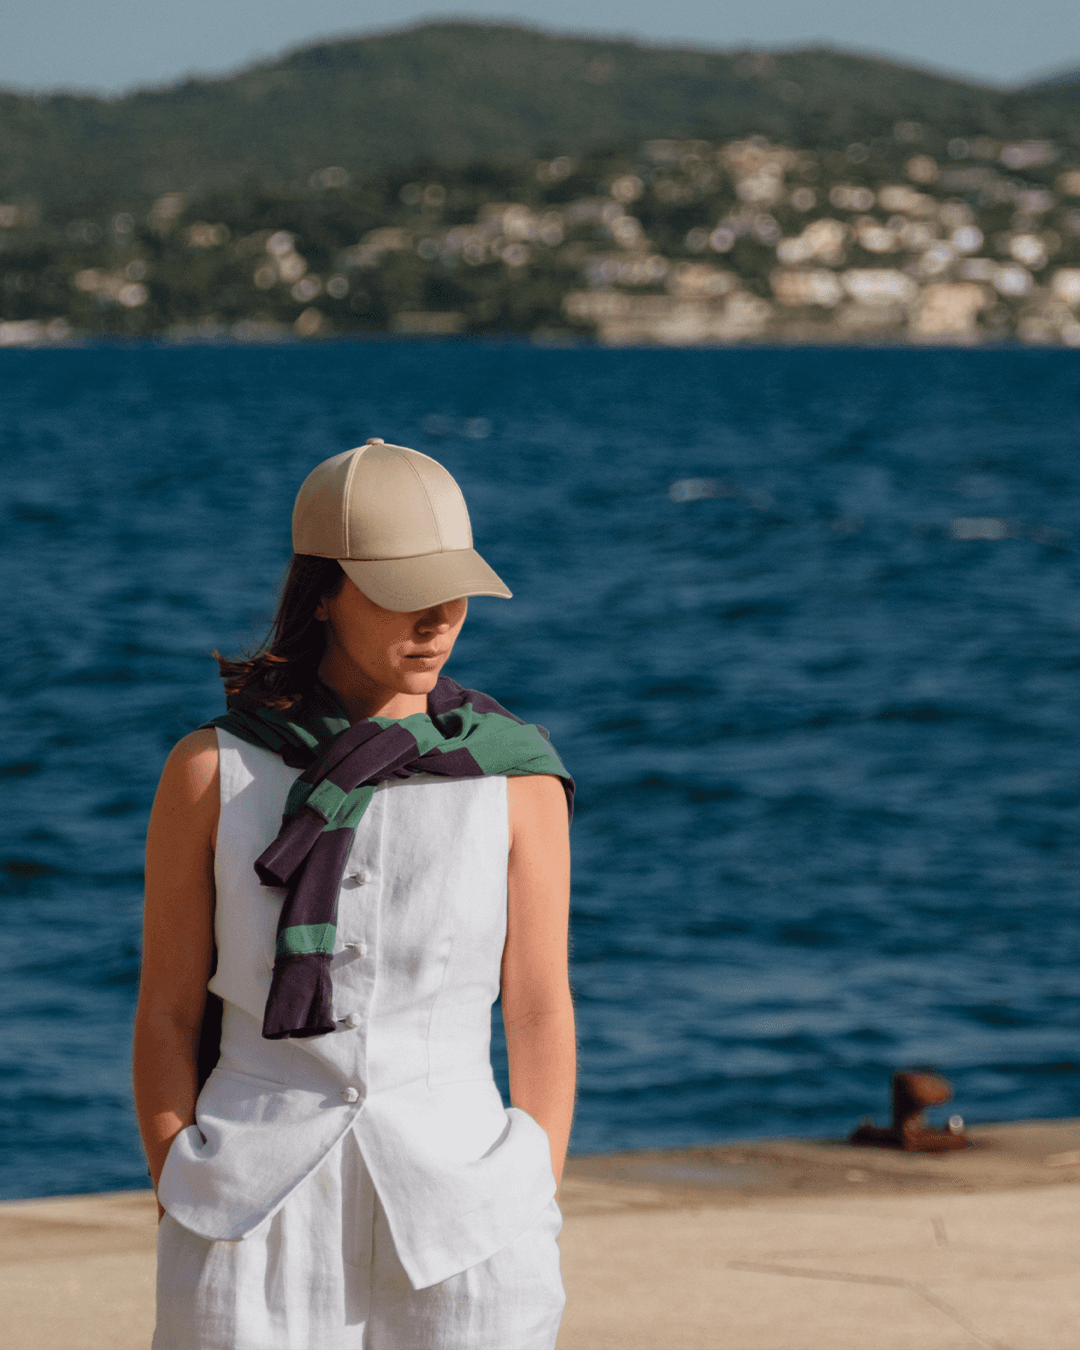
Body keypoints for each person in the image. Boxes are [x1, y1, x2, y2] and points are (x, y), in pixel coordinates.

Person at [133, 438, 576, 1350]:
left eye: (454, 591)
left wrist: (536, 1177)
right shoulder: (212, 771)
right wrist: (176, 1169)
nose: (439, 619)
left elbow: (538, 1006)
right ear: (323, 592)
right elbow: (168, 1007)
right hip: (245, 1209)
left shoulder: (516, 778)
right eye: (404, 591)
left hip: (469, 1213)